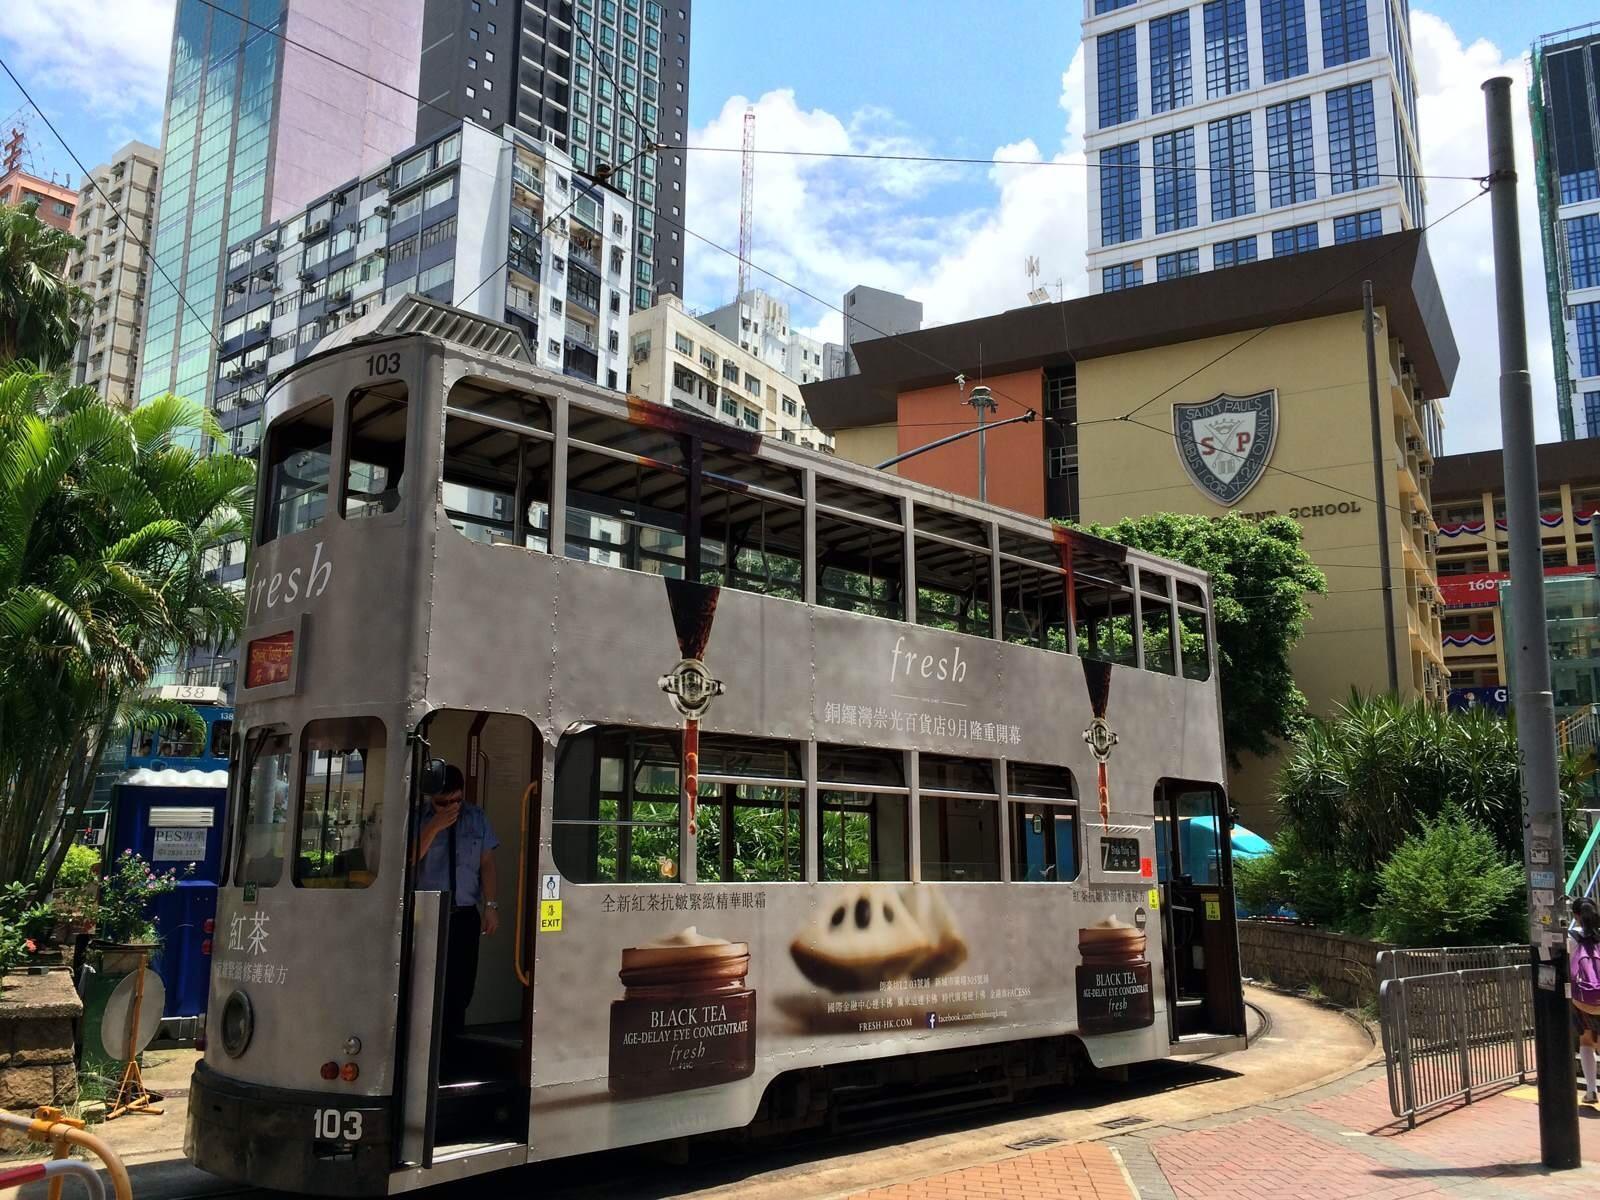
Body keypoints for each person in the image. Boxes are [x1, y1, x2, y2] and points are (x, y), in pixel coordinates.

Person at [413, 764, 500, 1051]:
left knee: (461, 986)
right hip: (427, 914)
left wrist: (491, 905)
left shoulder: (476, 817)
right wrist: (435, 826)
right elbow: (409, 858)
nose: (451, 807)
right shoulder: (418, 818)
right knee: (426, 985)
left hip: (464, 913)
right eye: (443, 802)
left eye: (456, 801)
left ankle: (453, 1047)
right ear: (431, 798)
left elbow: (487, 864)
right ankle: (426, 1049)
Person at [1569, 897, 1600, 1104]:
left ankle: (1591, 1091)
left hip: (1582, 999)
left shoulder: (1571, 937)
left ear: (1575, 915)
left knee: (1586, 1040)